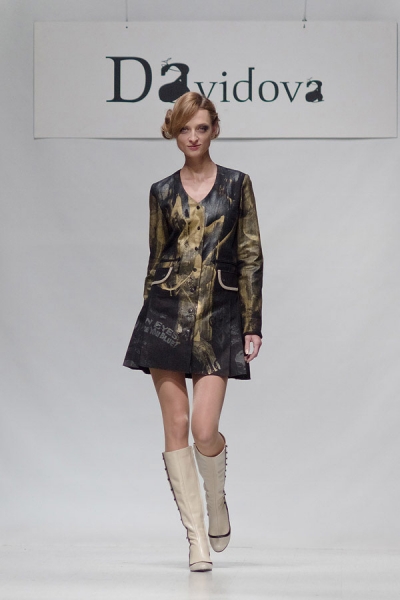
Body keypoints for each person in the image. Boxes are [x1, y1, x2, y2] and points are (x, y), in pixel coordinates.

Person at [123, 91, 263, 572]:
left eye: (201, 128)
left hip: (219, 316)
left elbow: (250, 256)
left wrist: (252, 322)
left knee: (204, 430)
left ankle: (216, 497)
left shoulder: (237, 185)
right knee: (176, 425)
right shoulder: (161, 191)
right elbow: (155, 257)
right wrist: (147, 315)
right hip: (166, 315)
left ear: (214, 130)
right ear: (174, 133)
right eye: (185, 129)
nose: (193, 137)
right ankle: (196, 539)